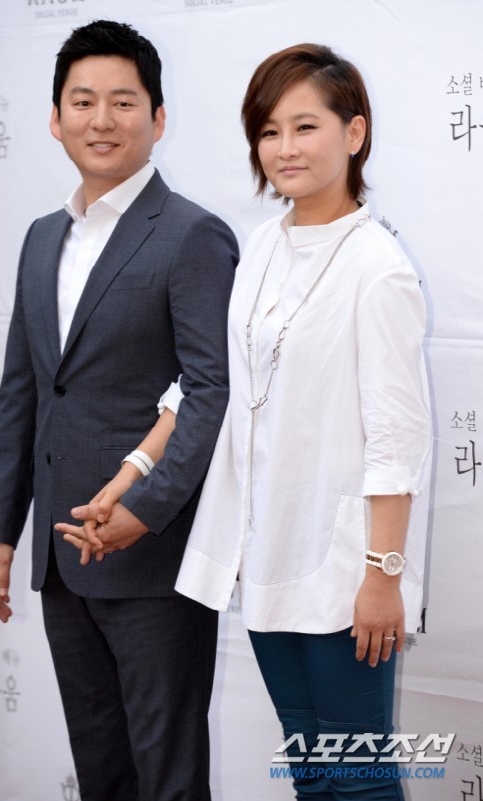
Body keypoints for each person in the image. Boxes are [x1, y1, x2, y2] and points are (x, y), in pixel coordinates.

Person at [0, 19, 237, 801]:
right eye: (83, 101)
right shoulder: (39, 238)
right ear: (55, 119)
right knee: (101, 773)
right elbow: (24, 393)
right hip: (62, 556)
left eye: (124, 102)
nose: (102, 119)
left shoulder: (192, 235)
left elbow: (211, 390)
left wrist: (143, 510)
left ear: (159, 117)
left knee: (168, 776)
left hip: (153, 559)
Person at [173, 44, 431, 799]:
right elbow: (223, 380)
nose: (284, 147)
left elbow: (396, 437)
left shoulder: (377, 266)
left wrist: (382, 577)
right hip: (269, 552)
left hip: (345, 568)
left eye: (304, 126)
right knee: (312, 772)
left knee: (358, 778)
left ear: (354, 133)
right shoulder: (262, 245)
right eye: (268, 130)